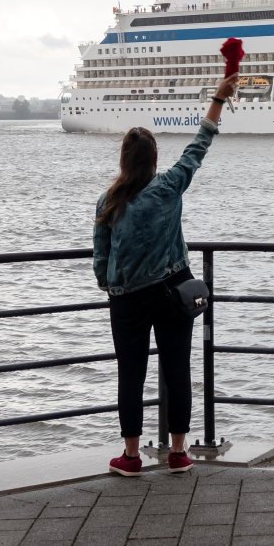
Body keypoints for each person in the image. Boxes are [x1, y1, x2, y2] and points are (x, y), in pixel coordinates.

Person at [93, 75, 238, 476]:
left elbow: (100, 258)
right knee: (177, 370)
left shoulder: (109, 200)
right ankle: (178, 453)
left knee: (131, 375)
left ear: (124, 159)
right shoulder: (169, 187)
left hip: (127, 300)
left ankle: (132, 456)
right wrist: (218, 99)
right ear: (155, 160)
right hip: (174, 291)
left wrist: (112, 287)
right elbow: (199, 145)